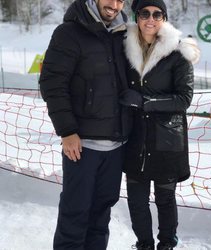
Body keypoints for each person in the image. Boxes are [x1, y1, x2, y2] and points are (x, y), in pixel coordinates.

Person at [39, 0, 131, 249]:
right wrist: (67, 131)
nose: (114, 4)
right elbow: (52, 83)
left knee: (101, 217)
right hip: (82, 146)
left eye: (120, 0)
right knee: (75, 214)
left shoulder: (123, 36)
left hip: (115, 145)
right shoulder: (69, 33)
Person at [119, 0, 200, 249]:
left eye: (156, 14)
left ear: (163, 18)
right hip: (136, 137)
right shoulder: (125, 47)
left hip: (166, 139)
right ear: (137, 17)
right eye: (144, 13)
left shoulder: (178, 52)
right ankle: (144, 244)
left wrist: (146, 101)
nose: (150, 19)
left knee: (165, 199)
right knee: (136, 200)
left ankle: (166, 244)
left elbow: (183, 99)